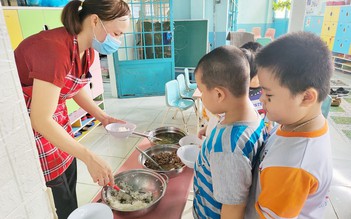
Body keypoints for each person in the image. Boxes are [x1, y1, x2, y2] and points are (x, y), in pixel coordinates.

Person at [14, 0, 130, 218]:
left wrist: (103, 117)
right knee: (59, 194)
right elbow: (39, 119)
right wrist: (89, 156)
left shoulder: (87, 50)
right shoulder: (54, 49)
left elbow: (74, 88)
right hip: (34, 123)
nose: (119, 41)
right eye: (117, 33)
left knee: (69, 171)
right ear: (95, 21)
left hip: (55, 117)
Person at [247, 32, 333, 218]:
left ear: (306, 97)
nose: (261, 99)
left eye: (268, 95)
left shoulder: (293, 167)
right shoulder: (298, 122)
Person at [193, 45, 266, 219]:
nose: (201, 96)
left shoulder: (227, 148)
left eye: (202, 91)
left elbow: (233, 209)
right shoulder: (253, 117)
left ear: (219, 94)